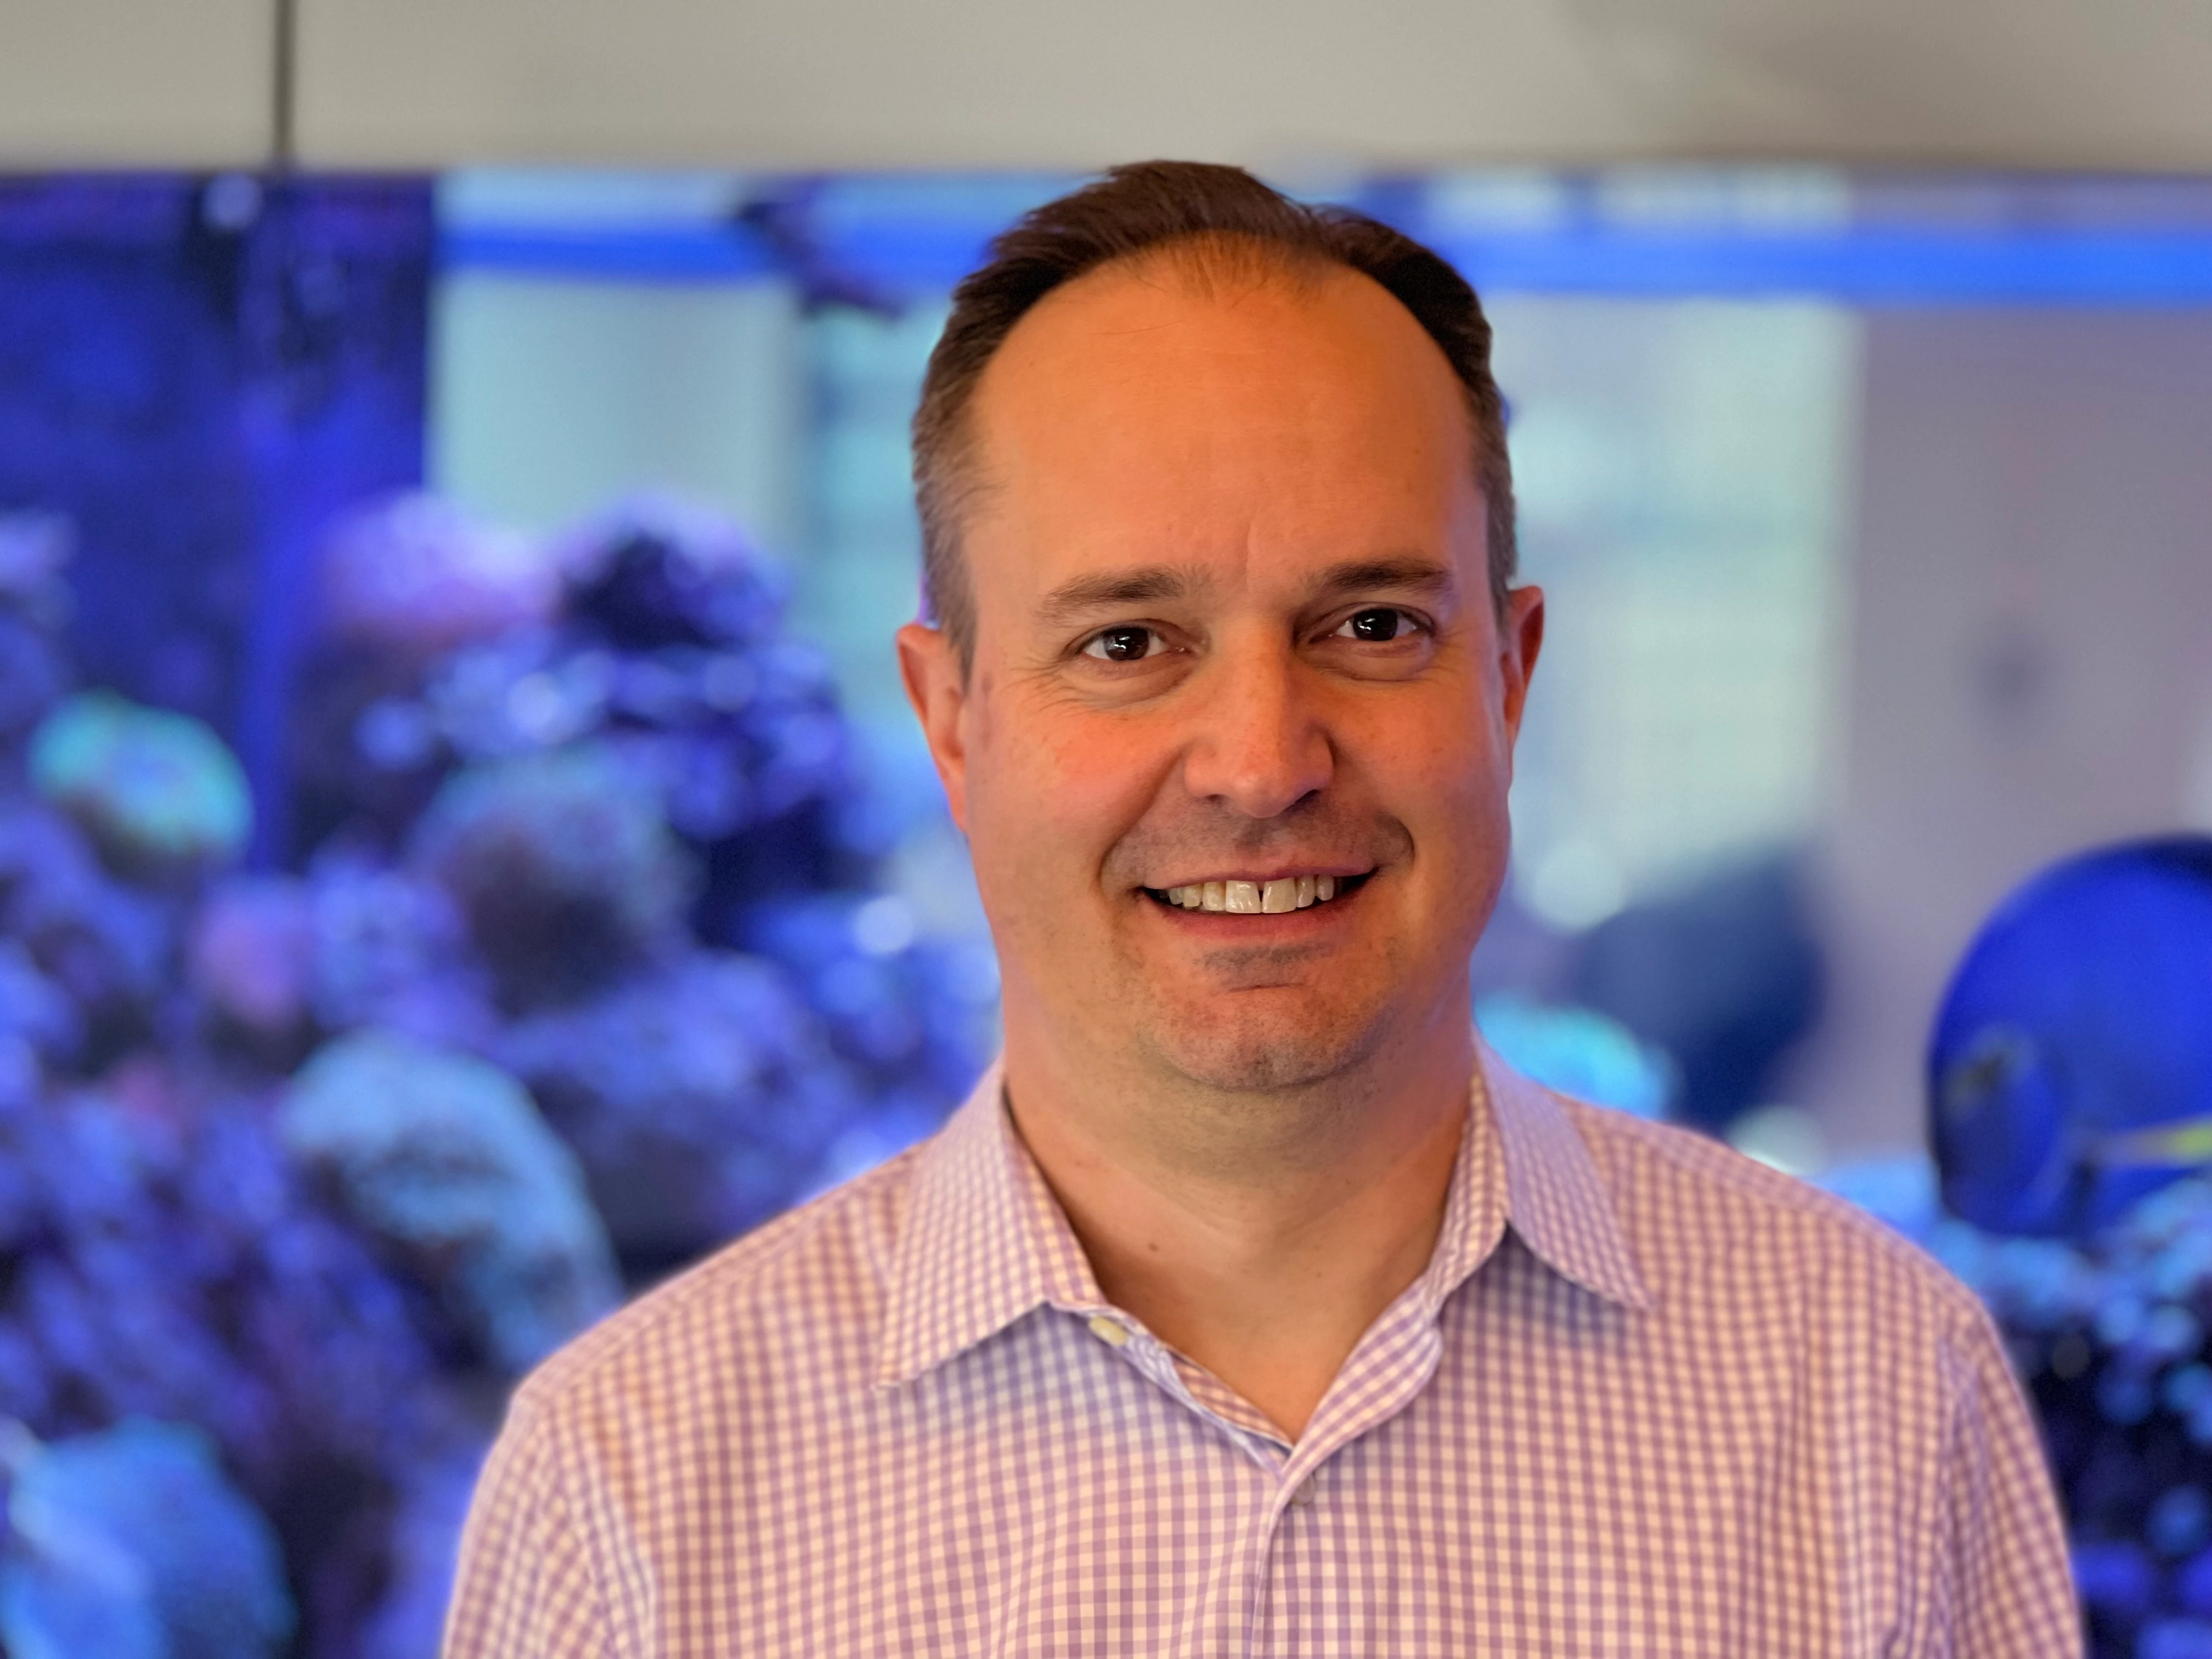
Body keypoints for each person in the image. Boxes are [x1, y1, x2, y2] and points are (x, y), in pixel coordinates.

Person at [444, 161, 2079, 1656]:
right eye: (1128, 644)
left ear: (1508, 679)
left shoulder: (1875, 1392)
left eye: (1369, 625)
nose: (1259, 762)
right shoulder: (638, 1491)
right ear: (952, 722)